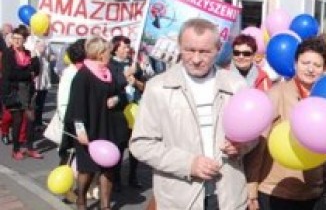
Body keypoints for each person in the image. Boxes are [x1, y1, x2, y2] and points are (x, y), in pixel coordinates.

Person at [130, 18, 254, 209]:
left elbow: (252, 135)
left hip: (227, 198)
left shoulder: (236, 85)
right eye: (189, 50)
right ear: (179, 46)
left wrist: (242, 146)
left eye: (204, 52)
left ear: (218, 49)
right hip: (180, 199)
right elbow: (141, 144)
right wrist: (188, 164)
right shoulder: (158, 87)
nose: (196, 59)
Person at [245, 36, 326, 210]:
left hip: (313, 191)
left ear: (324, 69)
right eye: (305, 63)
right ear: (295, 63)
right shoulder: (277, 94)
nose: (311, 69)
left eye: (317, 65)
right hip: (276, 191)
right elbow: (259, 142)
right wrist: (252, 185)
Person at [63, 37, 120, 209]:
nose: (110, 55)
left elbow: (118, 93)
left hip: (106, 125)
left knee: (108, 168)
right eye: (108, 52)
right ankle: (81, 200)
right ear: (100, 54)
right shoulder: (83, 75)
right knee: (87, 169)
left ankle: (105, 205)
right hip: (88, 128)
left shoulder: (108, 72)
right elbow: (76, 105)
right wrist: (80, 131)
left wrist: (116, 99)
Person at [108, 35, 144, 190]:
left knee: (135, 144)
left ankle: (133, 176)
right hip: (119, 111)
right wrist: (125, 75)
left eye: (128, 47)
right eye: (124, 47)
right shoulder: (110, 65)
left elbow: (144, 86)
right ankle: (115, 178)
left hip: (135, 109)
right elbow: (111, 86)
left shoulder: (134, 65)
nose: (127, 50)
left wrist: (136, 82)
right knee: (119, 144)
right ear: (115, 49)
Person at [2, 25, 41, 161]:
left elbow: (36, 71)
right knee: (17, 120)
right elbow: (11, 74)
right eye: (14, 38)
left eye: (19, 38)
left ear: (24, 40)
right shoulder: (8, 53)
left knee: (30, 120)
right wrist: (27, 73)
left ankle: (29, 148)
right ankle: (16, 149)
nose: (16, 41)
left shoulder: (29, 53)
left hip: (28, 90)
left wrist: (35, 58)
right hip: (14, 90)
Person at [56, 38, 87, 164]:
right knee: (69, 155)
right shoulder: (70, 72)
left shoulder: (85, 72)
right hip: (72, 123)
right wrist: (73, 125)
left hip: (82, 121)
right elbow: (63, 102)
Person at [31, 38, 52, 131]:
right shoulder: (34, 55)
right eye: (41, 46)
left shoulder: (45, 56)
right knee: (35, 105)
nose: (43, 48)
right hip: (36, 84)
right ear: (36, 46)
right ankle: (33, 123)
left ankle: (38, 122)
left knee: (41, 104)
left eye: (44, 46)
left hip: (44, 84)